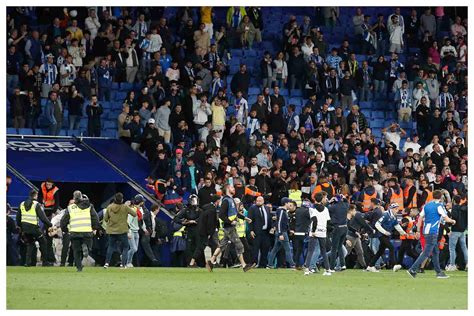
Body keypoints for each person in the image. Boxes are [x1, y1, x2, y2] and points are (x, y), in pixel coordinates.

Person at [408, 190, 456, 278]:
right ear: (441, 197)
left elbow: (420, 218)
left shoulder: (426, 205)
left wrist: (418, 230)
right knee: (426, 252)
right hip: (433, 231)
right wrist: (453, 221)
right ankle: (413, 269)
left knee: (435, 251)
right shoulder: (439, 206)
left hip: (426, 231)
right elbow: (446, 219)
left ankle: (439, 272)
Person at [206, 184, 254, 272]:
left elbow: (235, 213)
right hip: (229, 227)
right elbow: (221, 215)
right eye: (232, 187)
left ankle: (211, 261)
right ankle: (244, 266)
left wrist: (245, 218)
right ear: (228, 189)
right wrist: (230, 222)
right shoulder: (225, 201)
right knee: (239, 245)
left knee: (222, 245)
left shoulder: (230, 200)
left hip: (230, 227)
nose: (234, 189)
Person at [60, 191, 100, 272]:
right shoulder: (89, 206)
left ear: (74, 198)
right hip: (87, 231)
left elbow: (63, 221)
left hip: (74, 232)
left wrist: (65, 229)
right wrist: (95, 228)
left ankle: (79, 267)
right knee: (87, 247)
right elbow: (95, 217)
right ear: (81, 197)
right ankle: (86, 247)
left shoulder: (70, 208)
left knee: (76, 250)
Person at [16, 190, 53, 267]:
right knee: (43, 242)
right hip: (34, 228)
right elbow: (42, 217)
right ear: (35, 196)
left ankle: (27, 263)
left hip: (25, 228)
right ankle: (45, 262)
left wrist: (22, 228)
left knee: (30, 244)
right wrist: (50, 224)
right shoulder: (36, 204)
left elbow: (18, 218)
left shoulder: (22, 204)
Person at [366, 203, 406, 272]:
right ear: (392, 209)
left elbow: (397, 226)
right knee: (391, 247)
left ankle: (370, 266)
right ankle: (394, 265)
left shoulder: (393, 216)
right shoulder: (385, 215)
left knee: (380, 252)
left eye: (397, 209)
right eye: (396, 209)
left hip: (386, 236)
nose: (397, 210)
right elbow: (377, 224)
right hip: (381, 235)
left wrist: (404, 233)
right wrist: (384, 232)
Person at [103, 193, 137, 268]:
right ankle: (123, 264)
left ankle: (106, 263)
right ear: (122, 199)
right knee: (125, 247)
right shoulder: (125, 207)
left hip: (112, 231)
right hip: (122, 231)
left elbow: (105, 219)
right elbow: (134, 214)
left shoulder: (109, 207)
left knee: (110, 247)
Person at [304, 192, 332, 276]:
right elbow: (328, 221)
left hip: (315, 231)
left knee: (310, 251)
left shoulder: (312, 208)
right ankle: (327, 270)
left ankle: (307, 269)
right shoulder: (326, 209)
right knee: (323, 251)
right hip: (323, 231)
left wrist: (312, 231)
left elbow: (314, 220)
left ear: (314, 199)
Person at [189, 194, 220, 268]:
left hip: (201, 230)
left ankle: (213, 262)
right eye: (219, 200)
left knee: (214, 246)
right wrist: (209, 233)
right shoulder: (212, 210)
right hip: (205, 232)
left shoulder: (207, 207)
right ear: (217, 201)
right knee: (201, 247)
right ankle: (192, 263)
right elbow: (210, 222)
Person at [267, 198, 297, 269]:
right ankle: (292, 264)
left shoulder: (282, 211)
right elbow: (280, 223)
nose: (290, 204)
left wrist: (288, 231)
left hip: (281, 232)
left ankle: (269, 264)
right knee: (288, 249)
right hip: (282, 232)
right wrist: (280, 234)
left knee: (275, 249)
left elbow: (282, 223)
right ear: (286, 203)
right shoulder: (281, 211)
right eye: (289, 203)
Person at [174, 194, 201, 265]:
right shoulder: (186, 210)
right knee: (189, 247)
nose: (194, 202)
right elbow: (176, 218)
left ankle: (197, 262)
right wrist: (183, 222)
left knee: (197, 247)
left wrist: (195, 221)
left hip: (197, 230)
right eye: (193, 200)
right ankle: (190, 263)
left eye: (195, 200)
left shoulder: (199, 210)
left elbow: (203, 218)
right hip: (189, 230)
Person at [247, 196, 272, 268]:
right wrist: (251, 230)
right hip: (256, 232)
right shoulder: (252, 208)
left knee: (265, 248)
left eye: (260, 200)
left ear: (263, 201)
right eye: (257, 200)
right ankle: (253, 263)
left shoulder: (267, 208)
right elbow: (249, 220)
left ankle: (263, 264)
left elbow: (269, 218)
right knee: (255, 248)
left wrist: (271, 227)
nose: (259, 202)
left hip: (266, 232)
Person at [328, 194, 350, 271]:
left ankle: (331, 268)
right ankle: (343, 265)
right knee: (340, 246)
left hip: (337, 228)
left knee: (334, 248)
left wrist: (329, 201)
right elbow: (347, 202)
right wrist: (344, 198)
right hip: (345, 228)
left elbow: (325, 208)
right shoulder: (346, 205)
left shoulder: (333, 207)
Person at [447, 195, 468, 271]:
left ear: (454, 201)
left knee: (452, 248)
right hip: (463, 230)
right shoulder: (465, 208)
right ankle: (468, 263)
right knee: (464, 247)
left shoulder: (454, 208)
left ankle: (452, 265)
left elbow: (454, 217)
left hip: (455, 230)